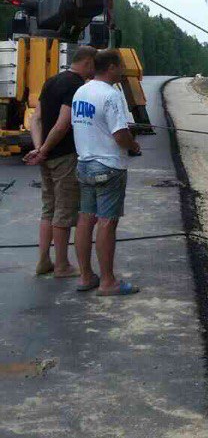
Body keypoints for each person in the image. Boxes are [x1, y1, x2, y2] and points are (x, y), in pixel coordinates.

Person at [71, 49, 141, 296]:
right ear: (111, 67)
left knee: (85, 219)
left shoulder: (82, 91)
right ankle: (108, 282)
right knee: (107, 222)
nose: (122, 71)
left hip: (84, 164)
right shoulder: (111, 95)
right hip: (109, 166)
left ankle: (86, 276)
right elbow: (120, 135)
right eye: (120, 67)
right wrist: (134, 146)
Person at [24, 46, 98, 277]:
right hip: (64, 156)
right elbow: (63, 123)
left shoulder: (52, 81)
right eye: (95, 65)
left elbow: (36, 118)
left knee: (49, 209)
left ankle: (44, 260)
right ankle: (62, 265)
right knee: (64, 212)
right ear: (87, 63)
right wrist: (45, 150)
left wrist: (38, 148)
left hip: (46, 157)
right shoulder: (75, 86)